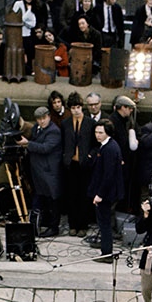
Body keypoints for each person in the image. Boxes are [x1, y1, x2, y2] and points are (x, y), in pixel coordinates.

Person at [17, 106, 63, 237]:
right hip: (40, 171)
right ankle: (45, 223)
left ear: (49, 117)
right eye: (39, 119)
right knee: (43, 197)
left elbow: (45, 148)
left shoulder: (54, 131)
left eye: (44, 118)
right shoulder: (37, 129)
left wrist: (27, 144)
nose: (41, 121)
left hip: (49, 172)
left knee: (53, 200)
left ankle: (54, 228)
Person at [87, 119, 124, 262]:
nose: (97, 135)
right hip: (108, 191)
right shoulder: (108, 146)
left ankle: (107, 253)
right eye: (96, 132)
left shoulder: (109, 149)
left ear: (107, 132)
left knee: (104, 222)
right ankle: (104, 245)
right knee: (104, 221)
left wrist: (99, 195)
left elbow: (108, 175)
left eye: (100, 132)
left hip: (106, 193)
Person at [60, 91, 96, 237]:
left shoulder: (90, 123)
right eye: (73, 108)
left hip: (84, 164)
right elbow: (63, 142)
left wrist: (89, 156)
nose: (75, 110)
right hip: (70, 163)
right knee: (71, 195)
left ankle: (83, 225)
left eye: (78, 107)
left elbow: (94, 143)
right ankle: (73, 224)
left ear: (82, 107)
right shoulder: (65, 123)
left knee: (84, 195)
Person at [110, 95, 140, 212]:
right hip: (119, 162)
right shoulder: (114, 122)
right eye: (129, 108)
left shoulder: (125, 120)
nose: (131, 110)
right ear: (122, 107)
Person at [12, 0, 38, 76]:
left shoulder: (33, 6)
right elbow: (16, 18)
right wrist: (26, 19)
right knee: (20, 54)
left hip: (28, 34)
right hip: (19, 34)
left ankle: (29, 71)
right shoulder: (18, 4)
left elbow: (33, 23)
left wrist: (25, 22)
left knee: (29, 53)